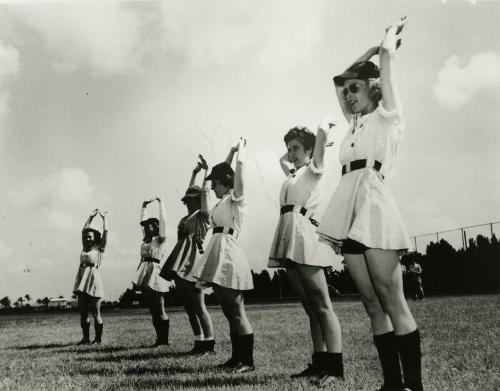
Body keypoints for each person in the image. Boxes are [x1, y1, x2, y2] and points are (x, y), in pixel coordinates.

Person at [318, 17, 424, 391]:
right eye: (347, 91)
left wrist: (382, 50)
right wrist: (361, 61)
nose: (348, 95)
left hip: (374, 207)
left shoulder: (387, 116)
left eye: (356, 88)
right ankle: (392, 385)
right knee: (370, 302)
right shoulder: (354, 124)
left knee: (391, 298)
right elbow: (337, 80)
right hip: (347, 208)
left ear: (375, 88)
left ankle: (414, 386)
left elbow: (386, 68)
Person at [268, 125, 344, 386]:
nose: (291, 153)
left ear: (311, 151)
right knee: (310, 308)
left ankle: (334, 369)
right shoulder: (292, 173)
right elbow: (282, 160)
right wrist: (291, 153)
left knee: (322, 305)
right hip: (288, 234)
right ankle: (319, 363)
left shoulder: (313, 170)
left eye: (296, 148)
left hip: (305, 236)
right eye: (289, 149)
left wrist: (321, 138)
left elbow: (318, 150)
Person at [192, 139, 255, 373]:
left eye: (217, 183)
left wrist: (240, 153)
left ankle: (247, 361)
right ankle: (236, 358)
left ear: (226, 182)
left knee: (237, 311)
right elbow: (223, 173)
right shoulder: (221, 203)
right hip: (217, 251)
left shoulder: (236, 198)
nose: (214, 186)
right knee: (229, 312)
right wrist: (227, 153)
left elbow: (236, 175)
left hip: (229, 254)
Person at [159, 157, 215, 354]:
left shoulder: (203, 216)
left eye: (192, 199)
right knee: (189, 308)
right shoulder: (185, 218)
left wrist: (206, 173)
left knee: (199, 306)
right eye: (187, 199)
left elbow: (205, 193)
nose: (188, 201)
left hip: (195, 262)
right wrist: (194, 173)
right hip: (180, 262)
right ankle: (198, 342)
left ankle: (209, 344)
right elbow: (191, 189)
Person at [133, 197, 171, 346]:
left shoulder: (160, 240)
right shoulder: (145, 240)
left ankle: (164, 340)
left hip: (155, 272)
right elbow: (141, 224)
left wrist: (161, 203)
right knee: (153, 310)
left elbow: (164, 222)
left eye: (150, 225)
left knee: (159, 308)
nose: (147, 227)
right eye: (146, 225)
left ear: (155, 227)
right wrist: (143, 207)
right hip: (143, 272)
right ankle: (159, 339)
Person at [73, 209, 108, 345]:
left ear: (95, 238)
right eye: (86, 237)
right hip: (82, 280)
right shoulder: (84, 248)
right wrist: (90, 217)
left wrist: (104, 219)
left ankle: (98, 339)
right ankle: (85, 338)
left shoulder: (99, 249)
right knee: (83, 312)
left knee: (95, 313)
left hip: (93, 281)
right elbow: (83, 231)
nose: (87, 239)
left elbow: (105, 233)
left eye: (90, 237)